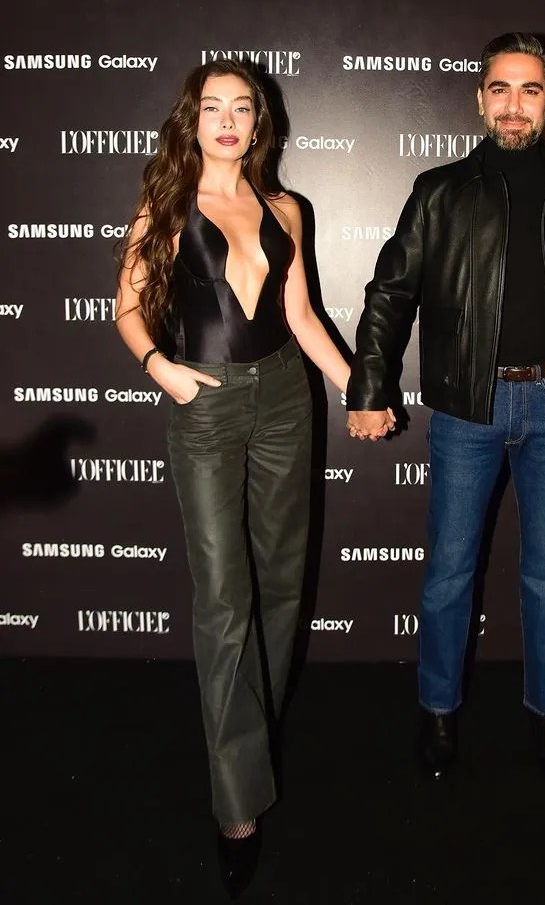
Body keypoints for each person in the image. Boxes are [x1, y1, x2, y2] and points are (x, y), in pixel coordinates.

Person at [115, 59, 372, 894]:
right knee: (224, 596)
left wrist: (358, 389)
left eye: (242, 108)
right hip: (206, 404)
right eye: (213, 108)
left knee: (283, 583)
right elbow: (127, 307)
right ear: (192, 121)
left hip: (286, 398)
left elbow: (301, 315)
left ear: (259, 122)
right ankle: (237, 804)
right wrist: (161, 367)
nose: (228, 121)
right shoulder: (165, 205)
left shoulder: (287, 208)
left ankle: (254, 729)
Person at [346, 33, 545, 783]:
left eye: (530, 90)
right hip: (469, 408)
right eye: (500, 88)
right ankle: (437, 709)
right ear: (479, 99)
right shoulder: (440, 190)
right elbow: (390, 293)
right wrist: (369, 387)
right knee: (448, 571)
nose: (514, 104)